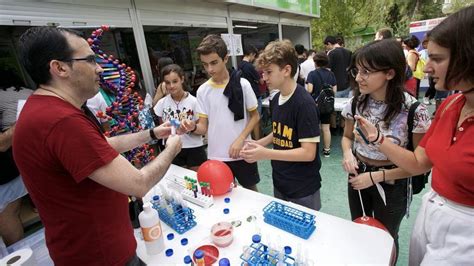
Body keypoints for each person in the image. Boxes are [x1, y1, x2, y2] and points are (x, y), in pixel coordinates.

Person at [13, 26, 182, 265]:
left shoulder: (45, 110)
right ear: (59, 68)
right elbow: (139, 183)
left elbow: (100, 147)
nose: (100, 68)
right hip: (100, 256)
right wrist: (171, 149)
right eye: (90, 59)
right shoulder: (62, 122)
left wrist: (152, 133)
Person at [355, 7, 474, 265]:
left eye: (438, 59)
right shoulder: (452, 105)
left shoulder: (415, 108)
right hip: (435, 209)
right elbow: (420, 163)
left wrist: (378, 173)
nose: (427, 67)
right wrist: (378, 139)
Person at [341, 39, 431, 260]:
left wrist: (376, 176)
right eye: (356, 70)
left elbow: (417, 166)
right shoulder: (356, 103)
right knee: (360, 227)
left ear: (390, 73)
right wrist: (347, 153)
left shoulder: (414, 111)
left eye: (366, 72)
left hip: (393, 183)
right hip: (358, 175)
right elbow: (345, 137)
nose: (358, 77)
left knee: (386, 237)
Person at [240, 40, 322, 211]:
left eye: (269, 72)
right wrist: (260, 143)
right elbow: (280, 129)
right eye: (263, 72)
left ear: (286, 70)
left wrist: (265, 153)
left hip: (302, 186)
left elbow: (308, 153)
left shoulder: (303, 103)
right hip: (281, 180)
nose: (264, 77)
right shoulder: (276, 99)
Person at [181, 35, 260, 191]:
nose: (210, 69)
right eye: (205, 64)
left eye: (214, 63)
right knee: (221, 195)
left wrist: (240, 139)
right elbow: (203, 127)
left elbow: (255, 116)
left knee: (251, 192)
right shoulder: (203, 91)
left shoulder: (243, 85)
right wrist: (192, 127)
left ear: (225, 59)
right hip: (216, 155)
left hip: (243, 151)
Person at [154, 64, 207, 171]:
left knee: (198, 181)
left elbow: (202, 129)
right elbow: (162, 128)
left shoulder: (194, 102)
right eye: (168, 83)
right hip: (172, 149)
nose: (171, 86)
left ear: (182, 79)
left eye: (175, 81)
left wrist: (192, 127)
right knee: (178, 183)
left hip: (194, 147)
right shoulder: (161, 103)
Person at [0, 70, 32, 247]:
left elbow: (2, 145)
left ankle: (17, 254)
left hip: (11, 165)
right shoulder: (31, 92)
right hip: (35, 156)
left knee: (7, 213)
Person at [307, 51, 337, 157]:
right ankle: (327, 150)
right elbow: (334, 90)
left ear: (315, 62)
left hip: (314, 105)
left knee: (314, 127)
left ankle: (313, 150)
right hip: (326, 105)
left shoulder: (312, 74)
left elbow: (309, 90)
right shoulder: (331, 74)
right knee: (326, 128)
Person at [239, 44, 263, 139]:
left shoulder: (239, 65)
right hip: (254, 95)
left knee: (249, 120)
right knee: (256, 119)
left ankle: (251, 139)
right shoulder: (250, 66)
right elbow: (260, 81)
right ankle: (257, 140)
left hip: (244, 96)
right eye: (254, 56)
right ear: (252, 54)